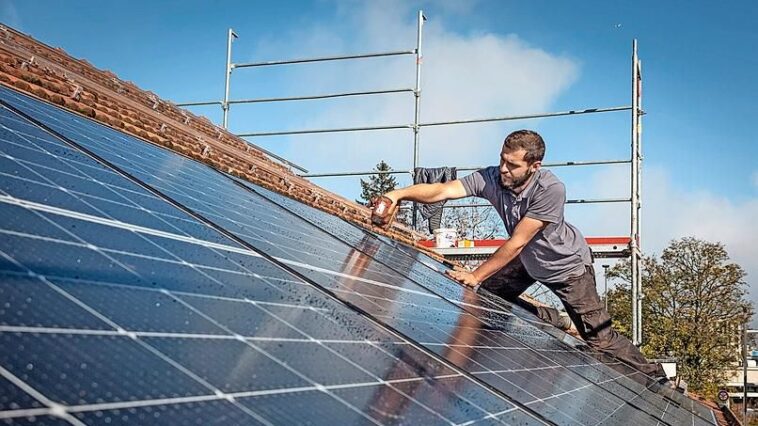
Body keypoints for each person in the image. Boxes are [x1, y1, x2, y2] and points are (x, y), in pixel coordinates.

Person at [376, 129, 667, 380]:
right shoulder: (491, 178)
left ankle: (656, 379)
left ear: (533, 166)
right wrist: (397, 194)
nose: (503, 169)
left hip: (567, 269)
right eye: (502, 160)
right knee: (487, 298)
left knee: (599, 340)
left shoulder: (550, 189)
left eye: (512, 165)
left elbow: (517, 241)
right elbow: (441, 190)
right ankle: (551, 317)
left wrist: (474, 275)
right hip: (528, 261)